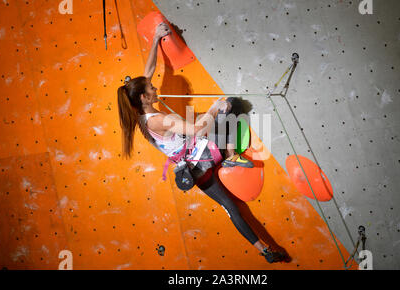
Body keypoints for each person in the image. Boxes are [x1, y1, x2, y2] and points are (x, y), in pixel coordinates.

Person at [117, 22, 286, 263]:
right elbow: (197, 129)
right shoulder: (159, 120)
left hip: (193, 173)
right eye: (152, 88)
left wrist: (155, 39)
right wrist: (215, 108)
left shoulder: (139, 116)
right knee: (230, 107)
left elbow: (150, 69)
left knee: (230, 208)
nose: (155, 87)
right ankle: (230, 156)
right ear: (144, 97)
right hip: (204, 154)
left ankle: (265, 251)